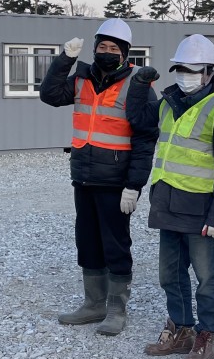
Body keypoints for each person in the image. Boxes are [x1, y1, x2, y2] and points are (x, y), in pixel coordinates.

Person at [40, 18, 159, 336]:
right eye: (102, 46)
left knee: (116, 245)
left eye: (113, 48)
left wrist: (135, 185)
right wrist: (65, 59)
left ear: (124, 53)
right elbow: (50, 94)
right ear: (94, 50)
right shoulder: (81, 79)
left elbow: (146, 140)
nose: (106, 52)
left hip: (116, 183)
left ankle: (117, 309)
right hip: (83, 177)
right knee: (88, 242)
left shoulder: (138, 85)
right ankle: (94, 304)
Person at [142, 35, 214, 359]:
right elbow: (148, 133)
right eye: (180, 68)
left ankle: (207, 333)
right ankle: (182, 326)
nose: (185, 74)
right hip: (168, 201)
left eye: (192, 69)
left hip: (201, 210)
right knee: (169, 274)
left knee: (206, 277)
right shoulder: (168, 102)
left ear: (208, 71)